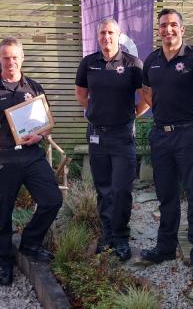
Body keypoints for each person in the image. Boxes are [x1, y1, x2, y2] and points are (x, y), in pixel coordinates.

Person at [0, 37, 63, 286]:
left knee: (52, 200)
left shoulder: (34, 87)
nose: (10, 62)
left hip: (31, 155)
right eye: (5, 57)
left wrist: (40, 135)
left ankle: (30, 244)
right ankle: (3, 260)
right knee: (0, 212)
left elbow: (46, 126)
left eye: (15, 57)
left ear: (22, 58)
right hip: (1, 159)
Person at [141, 8, 193, 281]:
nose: (168, 30)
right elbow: (146, 91)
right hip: (161, 135)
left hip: (187, 136)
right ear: (158, 30)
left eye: (173, 25)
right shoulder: (151, 61)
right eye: (163, 25)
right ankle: (165, 248)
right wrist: (162, 112)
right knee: (166, 195)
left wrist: (190, 121)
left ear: (182, 30)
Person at [75, 18, 149, 261]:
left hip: (123, 135)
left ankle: (121, 237)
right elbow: (81, 94)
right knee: (103, 189)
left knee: (121, 189)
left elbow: (145, 98)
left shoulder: (132, 64)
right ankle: (107, 235)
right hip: (97, 134)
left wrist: (130, 116)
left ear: (119, 36)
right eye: (102, 33)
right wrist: (97, 112)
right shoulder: (88, 63)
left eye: (110, 33)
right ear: (98, 37)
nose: (106, 37)